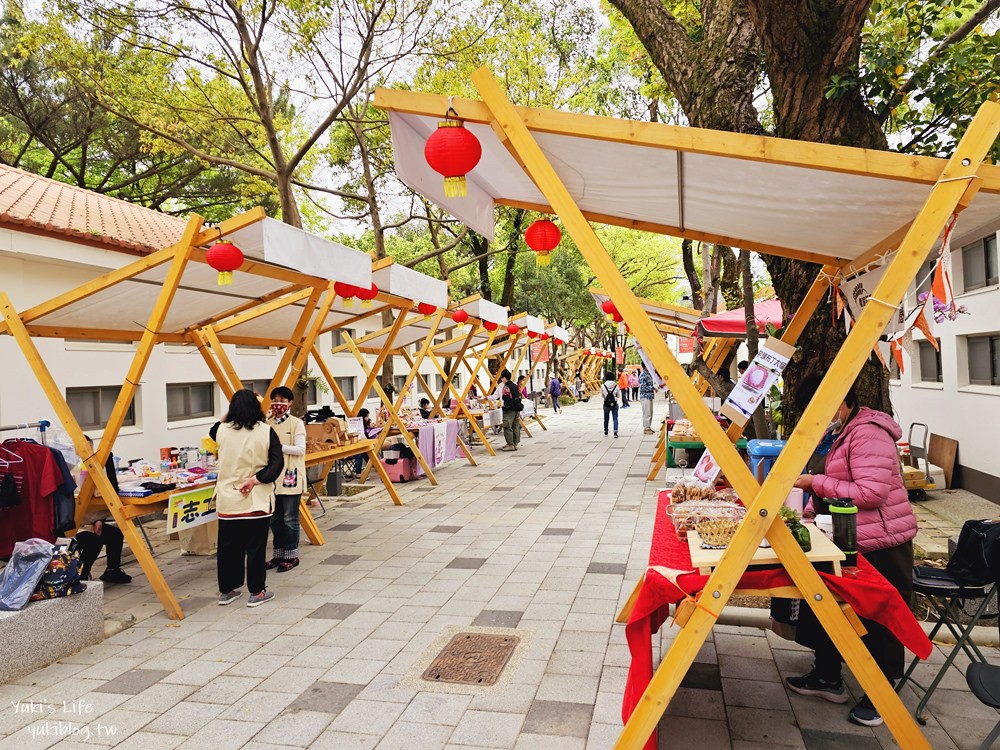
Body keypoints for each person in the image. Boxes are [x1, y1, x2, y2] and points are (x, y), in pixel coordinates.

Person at [785, 376, 918, 728]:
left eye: (818, 409)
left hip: (880, 543)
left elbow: (871, 492)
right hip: (842, 535)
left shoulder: (868, 431)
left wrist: (815, 483)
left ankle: (882, 692)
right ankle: (827, 675)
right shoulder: (838, 431)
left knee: (877, 617)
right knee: (826, 605)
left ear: (839, 401)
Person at [210, 389, 284, 607]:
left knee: (227, 547)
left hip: (227, 498)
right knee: (255, 547)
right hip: (256, 498)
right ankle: (257, 592)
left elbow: (215, 427)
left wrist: (230, 413)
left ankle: (227, 590)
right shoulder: (266, 431)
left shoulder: (222, 430)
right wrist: (255, 480)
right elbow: (276, 463)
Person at [75, 436, 131, 584]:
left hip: (91, 520)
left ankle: (112, 570)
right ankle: (81, 574)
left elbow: (103, 496)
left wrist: (99, 519)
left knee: (115, 535)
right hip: (74, 526)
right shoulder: (73, 470)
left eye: (89, 449)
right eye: (82, 449)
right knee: (93, 541)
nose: (86, 453)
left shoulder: (95, 469)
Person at [265, 386, 306, 573]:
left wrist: (278, 447)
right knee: (274, 519)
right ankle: (278, 554)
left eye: (283, 401)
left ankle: (291, 555)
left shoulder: (296, 423)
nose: (278, 405)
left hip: (290, 475)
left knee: (290, 518)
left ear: (290, 403)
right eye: (275, 401)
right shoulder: (267, 423)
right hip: (272, 477)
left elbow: (300, 449)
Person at [499, 369, 523, 451]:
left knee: (507, 426)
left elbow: (506, 398)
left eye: (502, 378)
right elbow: (520, 395)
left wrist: (505, 407)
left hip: (510, 409)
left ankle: (510, 444)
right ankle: (515, 443)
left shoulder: (506, 387)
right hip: (517, 408)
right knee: (515, 425)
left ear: (505, 378)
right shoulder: (515, 385)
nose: (501, 380)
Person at [601, 370, 621, 438]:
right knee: (615, 418)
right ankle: (615, 431)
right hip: (614, 404)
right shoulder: (616, 386)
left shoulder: (603, 385)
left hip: (606, 404)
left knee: (606, 418)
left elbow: (602, 395)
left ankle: (606, 431)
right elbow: (618, 396)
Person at [638, 364, 656, 435]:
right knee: (647, 412)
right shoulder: (643, 375)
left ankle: (648, 426)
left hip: (650, 395)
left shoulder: (649, 373)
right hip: (645, 396)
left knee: (650, 412)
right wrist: (653, 388)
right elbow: (642, 387)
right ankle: (646, 427)